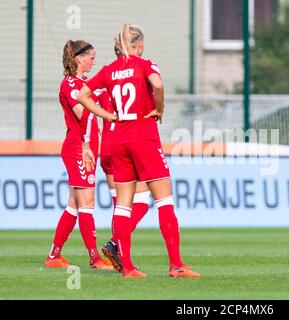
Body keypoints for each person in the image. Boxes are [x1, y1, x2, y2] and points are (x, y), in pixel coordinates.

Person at [77, 24, 200, 279]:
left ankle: (129, 268)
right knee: (164, 200)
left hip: (118, 141)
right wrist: (159, 108)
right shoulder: (145, 64)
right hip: (143, 138)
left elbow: (82, 95)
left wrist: (108, 114)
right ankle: (176, 265)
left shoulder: (109, 70)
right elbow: (158, 85)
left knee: (123, 204)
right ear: (139, 44)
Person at [45, 40, 113, 270]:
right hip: (78, 148)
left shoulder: (85, 83)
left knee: (74, 203)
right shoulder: (71, 84)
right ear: (78, 58)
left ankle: (54, 255)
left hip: (86, 147)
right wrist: (86, 146)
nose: (93, 61)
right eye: (90, 57)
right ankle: (94, 258)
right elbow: (83, 114)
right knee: (87, 203)